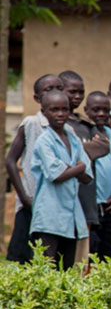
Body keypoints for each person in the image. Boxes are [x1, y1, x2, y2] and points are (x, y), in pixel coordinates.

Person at [5, 74, 66, 263]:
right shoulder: (32, 123)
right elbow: (10, 161)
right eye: (48, 89)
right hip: (31, 201)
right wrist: (24, 196)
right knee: (23, 257)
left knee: (48, 259)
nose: (54, 92)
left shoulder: (66, 129)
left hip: (54, 205)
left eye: (58, 88)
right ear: (37, 98)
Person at [29, 90, 93, 268]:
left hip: (71, 217)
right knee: (46, 269)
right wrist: (78, 167)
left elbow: (87, 177)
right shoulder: (44, 141)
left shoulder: (73, 138)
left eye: (64, 109)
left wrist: (73, 169)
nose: (60, 114)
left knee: (67, 269)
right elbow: (56, 175)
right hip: (49, 217)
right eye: (54, 109)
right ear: (44, 112)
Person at [61, 70, 110, 266]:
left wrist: (73, 152)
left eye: (80, 92)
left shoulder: (86, 125)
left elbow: (104, 146)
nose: (77, 97)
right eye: (72, 92)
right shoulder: (56, 124)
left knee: (80, 261)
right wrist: (82, 152)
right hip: (60, 202)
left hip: (85, 199)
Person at [84, 91, 111, 259]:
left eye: (105, 110)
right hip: (92, 207)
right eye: (96, 110)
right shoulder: (85, 134)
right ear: (86, 110)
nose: (101, 114)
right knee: (90, 254)